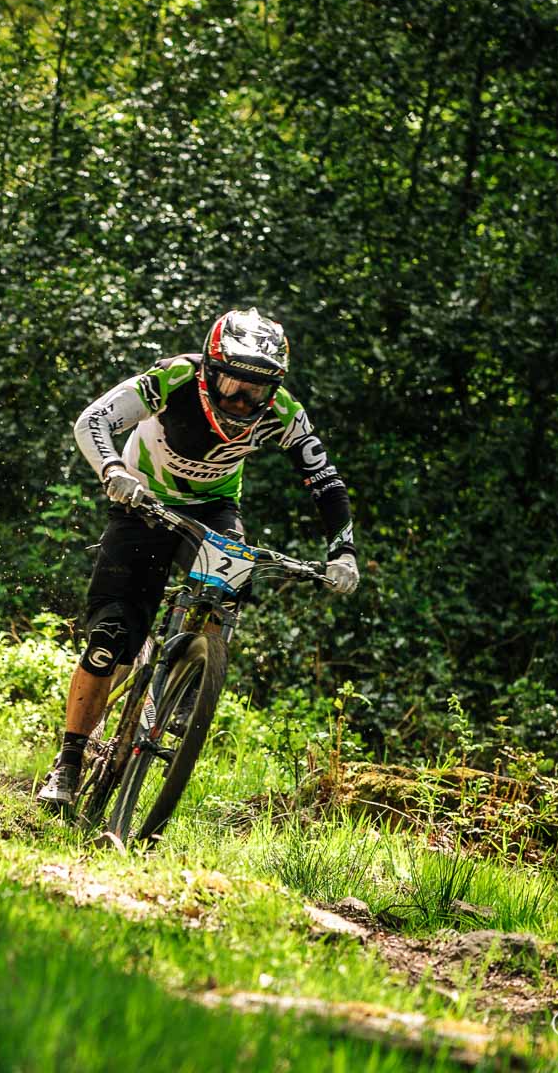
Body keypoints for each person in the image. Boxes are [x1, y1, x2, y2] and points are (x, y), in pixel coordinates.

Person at [37, 308, 360, 810]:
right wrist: (112, 468)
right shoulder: (174, 379)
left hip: (214, 508)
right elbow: (93, 420)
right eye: (232, 382)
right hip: (140, 501)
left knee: (228, 578)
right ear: (210, 369)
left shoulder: (283, 414)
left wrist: (344, 551)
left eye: (255, 390)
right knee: (108, 641)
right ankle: (70, 761)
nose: (240, 398)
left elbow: (326, 481)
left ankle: (192, 681)